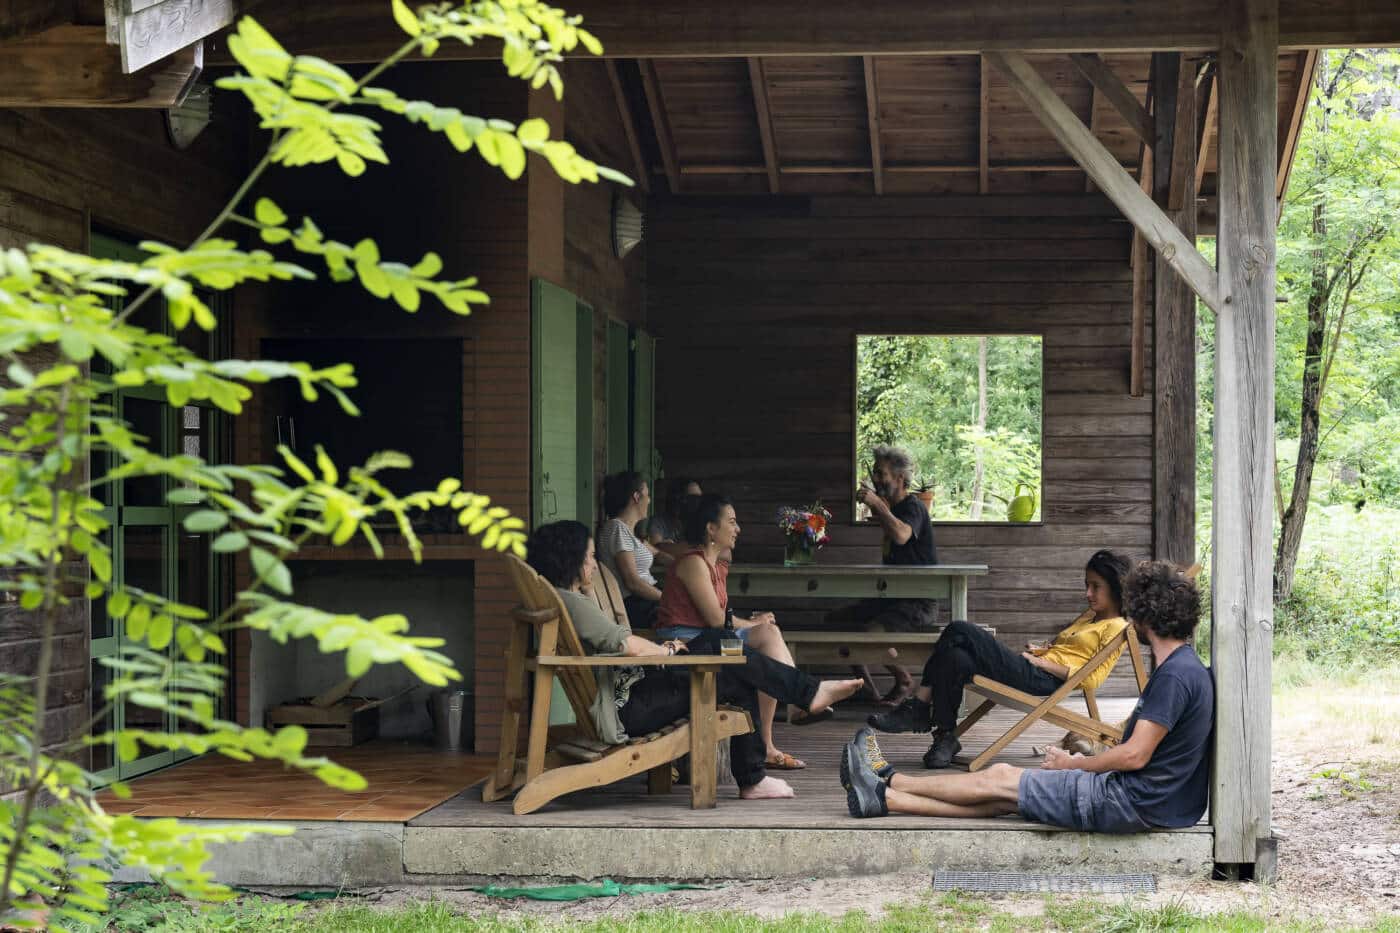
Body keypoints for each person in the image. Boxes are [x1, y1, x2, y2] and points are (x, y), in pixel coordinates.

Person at [841, 560, 1214, 833]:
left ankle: (890, 781)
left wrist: (1071, 765)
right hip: (1147, 801)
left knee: (1002, 776)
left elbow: (1134, 755)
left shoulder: (1175, 677)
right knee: (1006, 796)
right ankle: (887, 798)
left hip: (1128, 801)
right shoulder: (1185, 667)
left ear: (1142, 616)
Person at [525, 520, 863, 799]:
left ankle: (766, 760)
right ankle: (779, 737)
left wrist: (666, 650)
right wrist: (669, 651)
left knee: (721, 644)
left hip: (633, 692)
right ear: (569, 560)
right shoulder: (574, 604)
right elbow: (628, 646)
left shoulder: (566, 600)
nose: (592, 564)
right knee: (732, 669)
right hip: (631, 708)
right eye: (588, 557)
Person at [868, 549, 1133, 769]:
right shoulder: (1091, 616)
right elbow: (1070, 652)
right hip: (1036, 667)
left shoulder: (1117, 627)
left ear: (1116, 588)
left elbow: (1092, 678)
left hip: (1043, 679)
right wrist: (1042, 650)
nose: (1088, 593)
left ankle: (919, 706)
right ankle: (945, 737)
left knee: (959, 629)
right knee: (955, 657)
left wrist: (1042, 663)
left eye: (1096, 586)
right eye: (1087, 585)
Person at [655, 493, 817, 770]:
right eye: (731, 521)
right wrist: (754, 624)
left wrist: (753, 623)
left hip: (709, 644)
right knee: (765, 637)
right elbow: (717, 621)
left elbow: (721, 621)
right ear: (711, 528)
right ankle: (794, 706)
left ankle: (775, 733)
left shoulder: (717, 567)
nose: (738, 528)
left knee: (768, 637)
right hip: (688, 650)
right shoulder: (692, 563)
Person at [827, 444, 938, 705]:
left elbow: (901, 536)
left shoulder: (913, 507)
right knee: (838, 621)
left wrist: (877, 504)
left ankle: (904, 680)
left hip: (917, 602)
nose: (877, 479)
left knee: (870, 634)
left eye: (881, 473)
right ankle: (866, 689)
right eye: (875, 473)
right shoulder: (895, 509)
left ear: (900, 478)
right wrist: (880, 508)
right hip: (892, 598)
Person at [597, 471, 662, 628]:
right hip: (636, 605)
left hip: (647, 599)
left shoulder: (627, 531)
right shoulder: (616, 529)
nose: (649, 500)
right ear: (636, 497)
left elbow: (658, 553)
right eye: (647, 495)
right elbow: (632, 582)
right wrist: (669, 598)